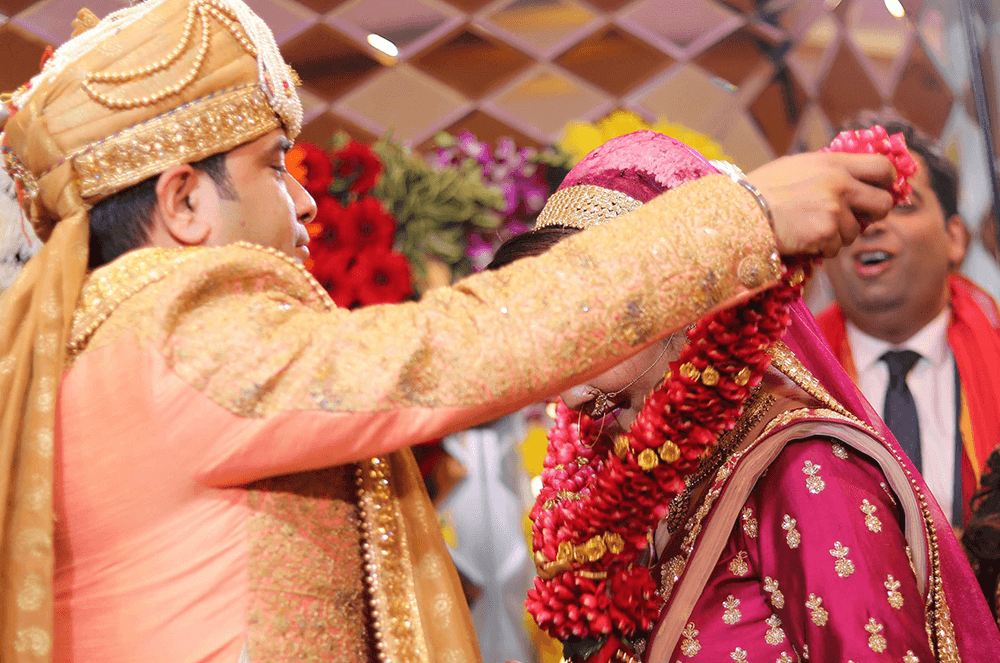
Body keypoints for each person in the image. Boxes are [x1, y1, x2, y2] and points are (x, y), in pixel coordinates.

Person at [0, 1, 900, 660]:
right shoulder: (176, 336)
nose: (307, 198)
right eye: (274, 166)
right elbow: (451, 348)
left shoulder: (103, 347)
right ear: (185, 200)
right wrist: (741, 218)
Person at [492, 131, 998, 663]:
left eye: (575, 325)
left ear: (676, 299)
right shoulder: (642, 480)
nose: (564, 384)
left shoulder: (806, 468)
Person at [817, 116, 1000, 533]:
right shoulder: (783, 386)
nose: (872, 225)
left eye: (901, 205)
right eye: (854, 211)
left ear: (955, 238)